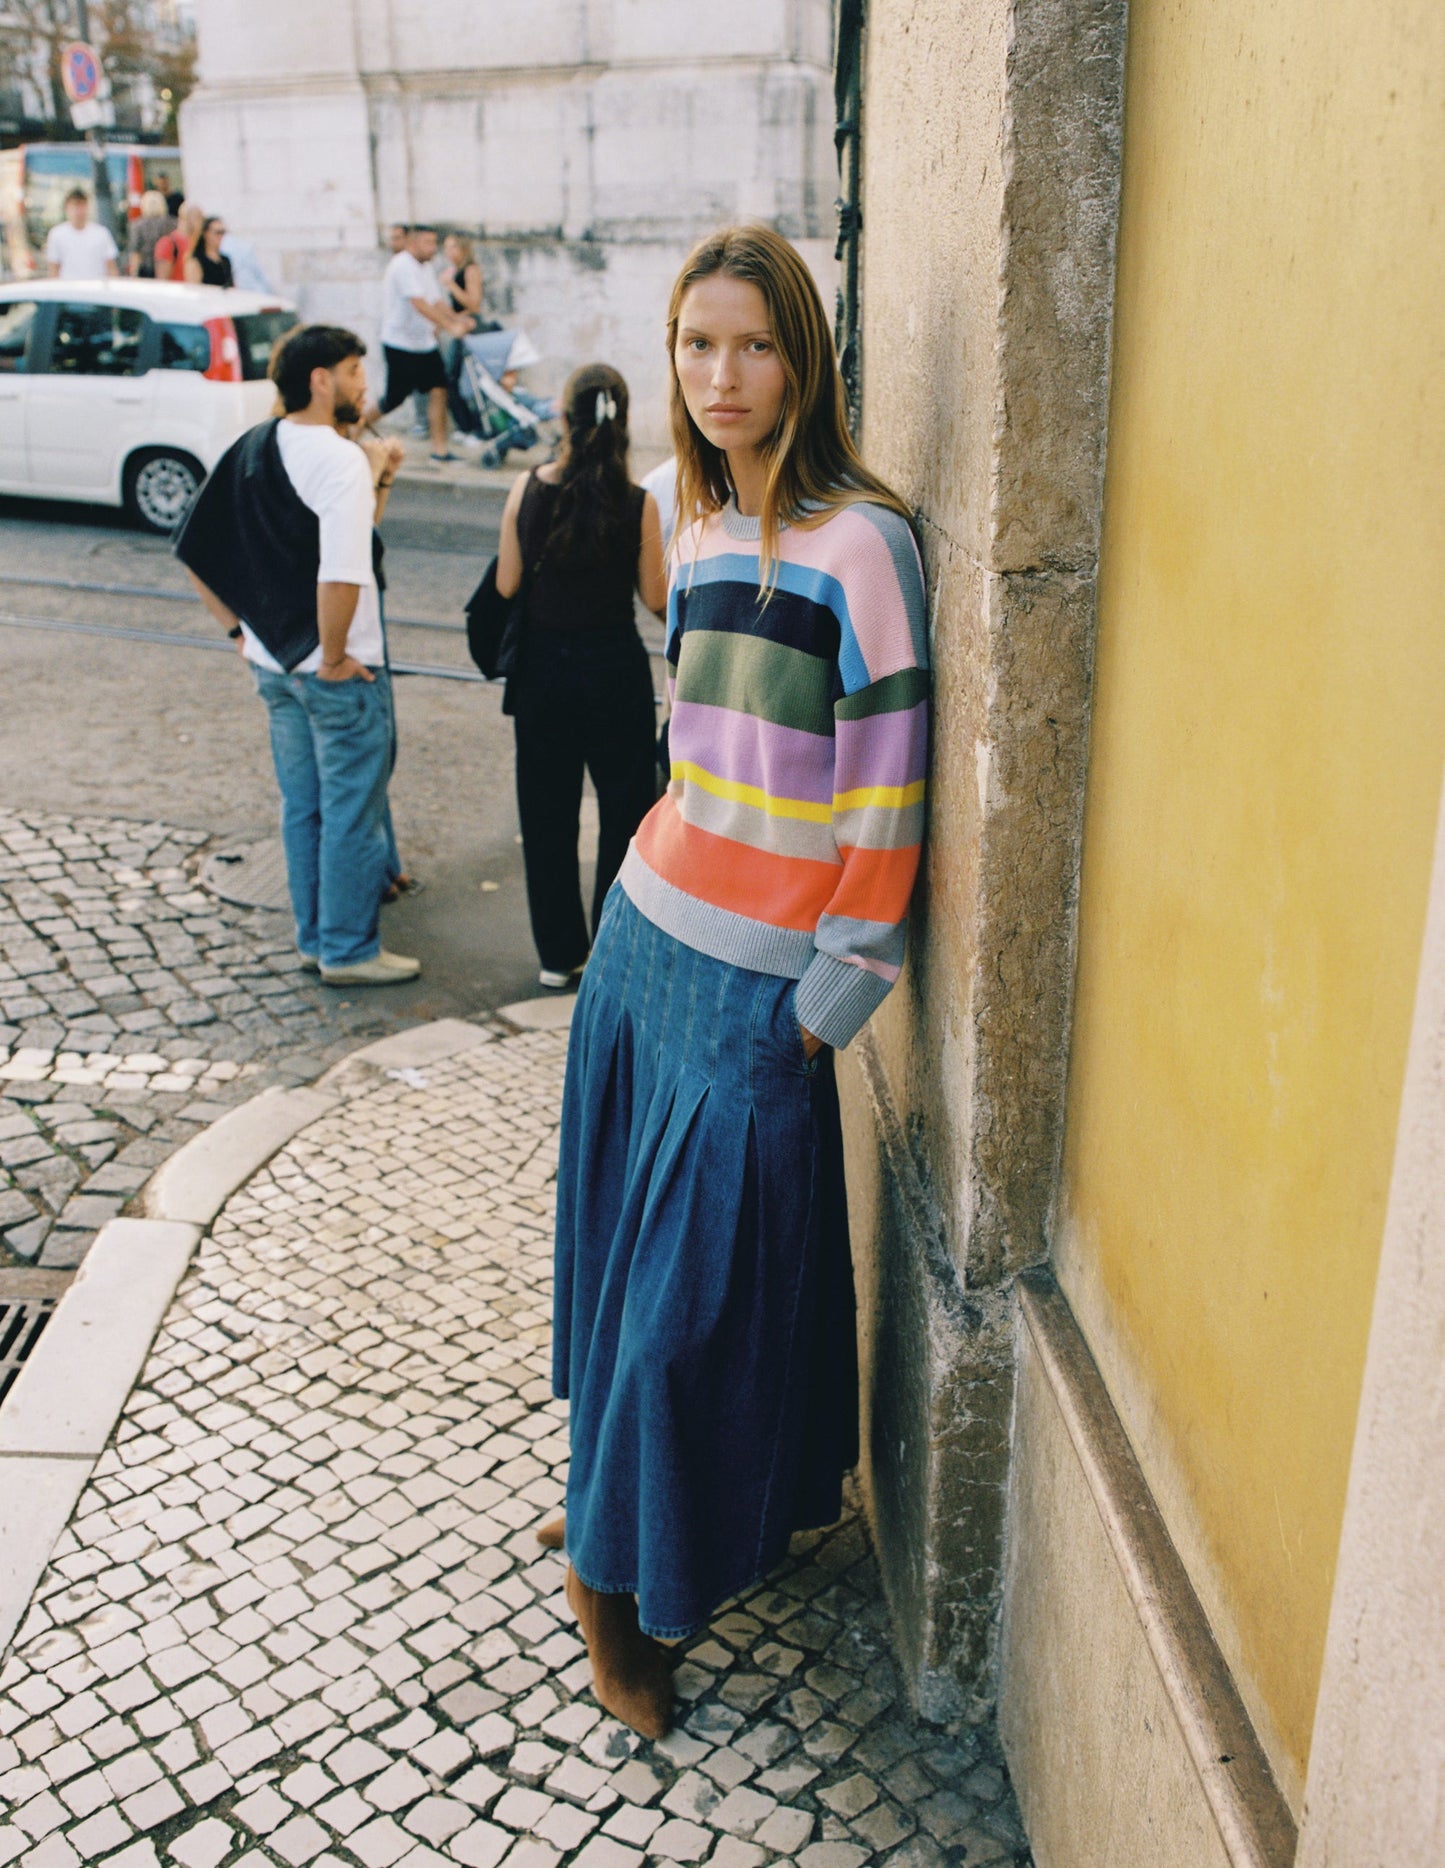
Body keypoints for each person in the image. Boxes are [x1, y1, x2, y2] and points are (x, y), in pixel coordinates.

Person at [546, 225, 929, 1739]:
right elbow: (696, 753)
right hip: (645, 944)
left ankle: (619, 1559)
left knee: (690, 1313)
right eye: (697, 345)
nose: (722, 376)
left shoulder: (863, 546)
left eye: (754, 345)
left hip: (759, 988)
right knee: (621, 1278)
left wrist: (828, 1002)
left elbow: (885, 793)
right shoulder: (688, 519)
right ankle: (609, 1547)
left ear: (803, 359)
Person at [173, 324, 420, 988]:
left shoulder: (254, 445)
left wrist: (236, 632)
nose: (364, 384)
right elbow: (341, 572)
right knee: (350, 815)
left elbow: (194, 550)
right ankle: (348, 950)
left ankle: (315, 939)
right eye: (354, 370)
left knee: (304, 807)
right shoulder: (339, 460)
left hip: (273, 664)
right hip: (334, 673)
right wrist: (334, 657)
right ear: (320, 379)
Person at [495, 364, 664, 991]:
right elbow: (655, 599)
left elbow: (507, 584)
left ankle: (558, 954)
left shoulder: (525, 489)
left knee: (546, 815)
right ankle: (611, 949)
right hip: (614, 673)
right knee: (624, 813)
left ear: (564, 419)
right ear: (623, 422)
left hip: (542, 675)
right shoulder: (638, 502)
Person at [376, 225, 457, 462]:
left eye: (434, 243)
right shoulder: (402, 265)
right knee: (393, 399)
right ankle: (354, 429)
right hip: (400, 343)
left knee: (439, 389)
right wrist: (450, 326)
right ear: (413, 243)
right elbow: (419, 303)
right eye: (428, 243)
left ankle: (440, 450)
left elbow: (435, 300)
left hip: (424, 343)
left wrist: (457, 319)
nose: (433, 248)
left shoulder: (425, 267)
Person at [45, 189, 118, 281]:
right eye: (75, 206)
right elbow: (53, 268)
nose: (79, 211)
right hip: (67, 287)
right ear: (66, 208)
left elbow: (111, 267)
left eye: (82, 206)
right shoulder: (56, 234)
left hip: (96, 286)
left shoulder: (102, 233)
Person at [127, 190, 174, 279]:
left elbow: (135, 251)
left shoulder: (137, 225)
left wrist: (133, 273)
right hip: (168, 268)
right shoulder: (172, 223)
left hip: (146, 269)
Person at [155, 201, 202, 282]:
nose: (200, 221)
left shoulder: (198, 243)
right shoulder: (168, 243)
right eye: (197, 217)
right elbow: (162, 279)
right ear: (184, 217)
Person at [185, 215, 235, 288]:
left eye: (223, 232)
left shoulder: (225, 261)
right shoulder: (196, 261)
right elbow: (194, 288)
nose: (221, 236)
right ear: (206, 234)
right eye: (217, 232)